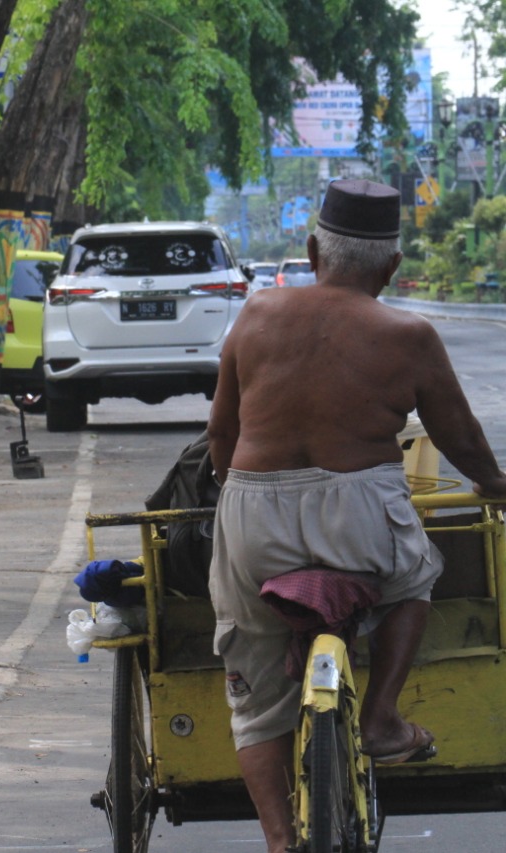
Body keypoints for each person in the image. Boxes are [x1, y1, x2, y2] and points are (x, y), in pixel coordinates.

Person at [206, 178, 506, 853]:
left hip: (253, 510)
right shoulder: (409, 332)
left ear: (313, 250)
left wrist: (231, 496)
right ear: (393, 266)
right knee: (413, 577)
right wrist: (494, 484)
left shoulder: (254, 316)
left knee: (255, 704)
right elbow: (459, 436)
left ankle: (281, 841)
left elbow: (220, 432)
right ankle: (380, 716)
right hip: (361, 511)